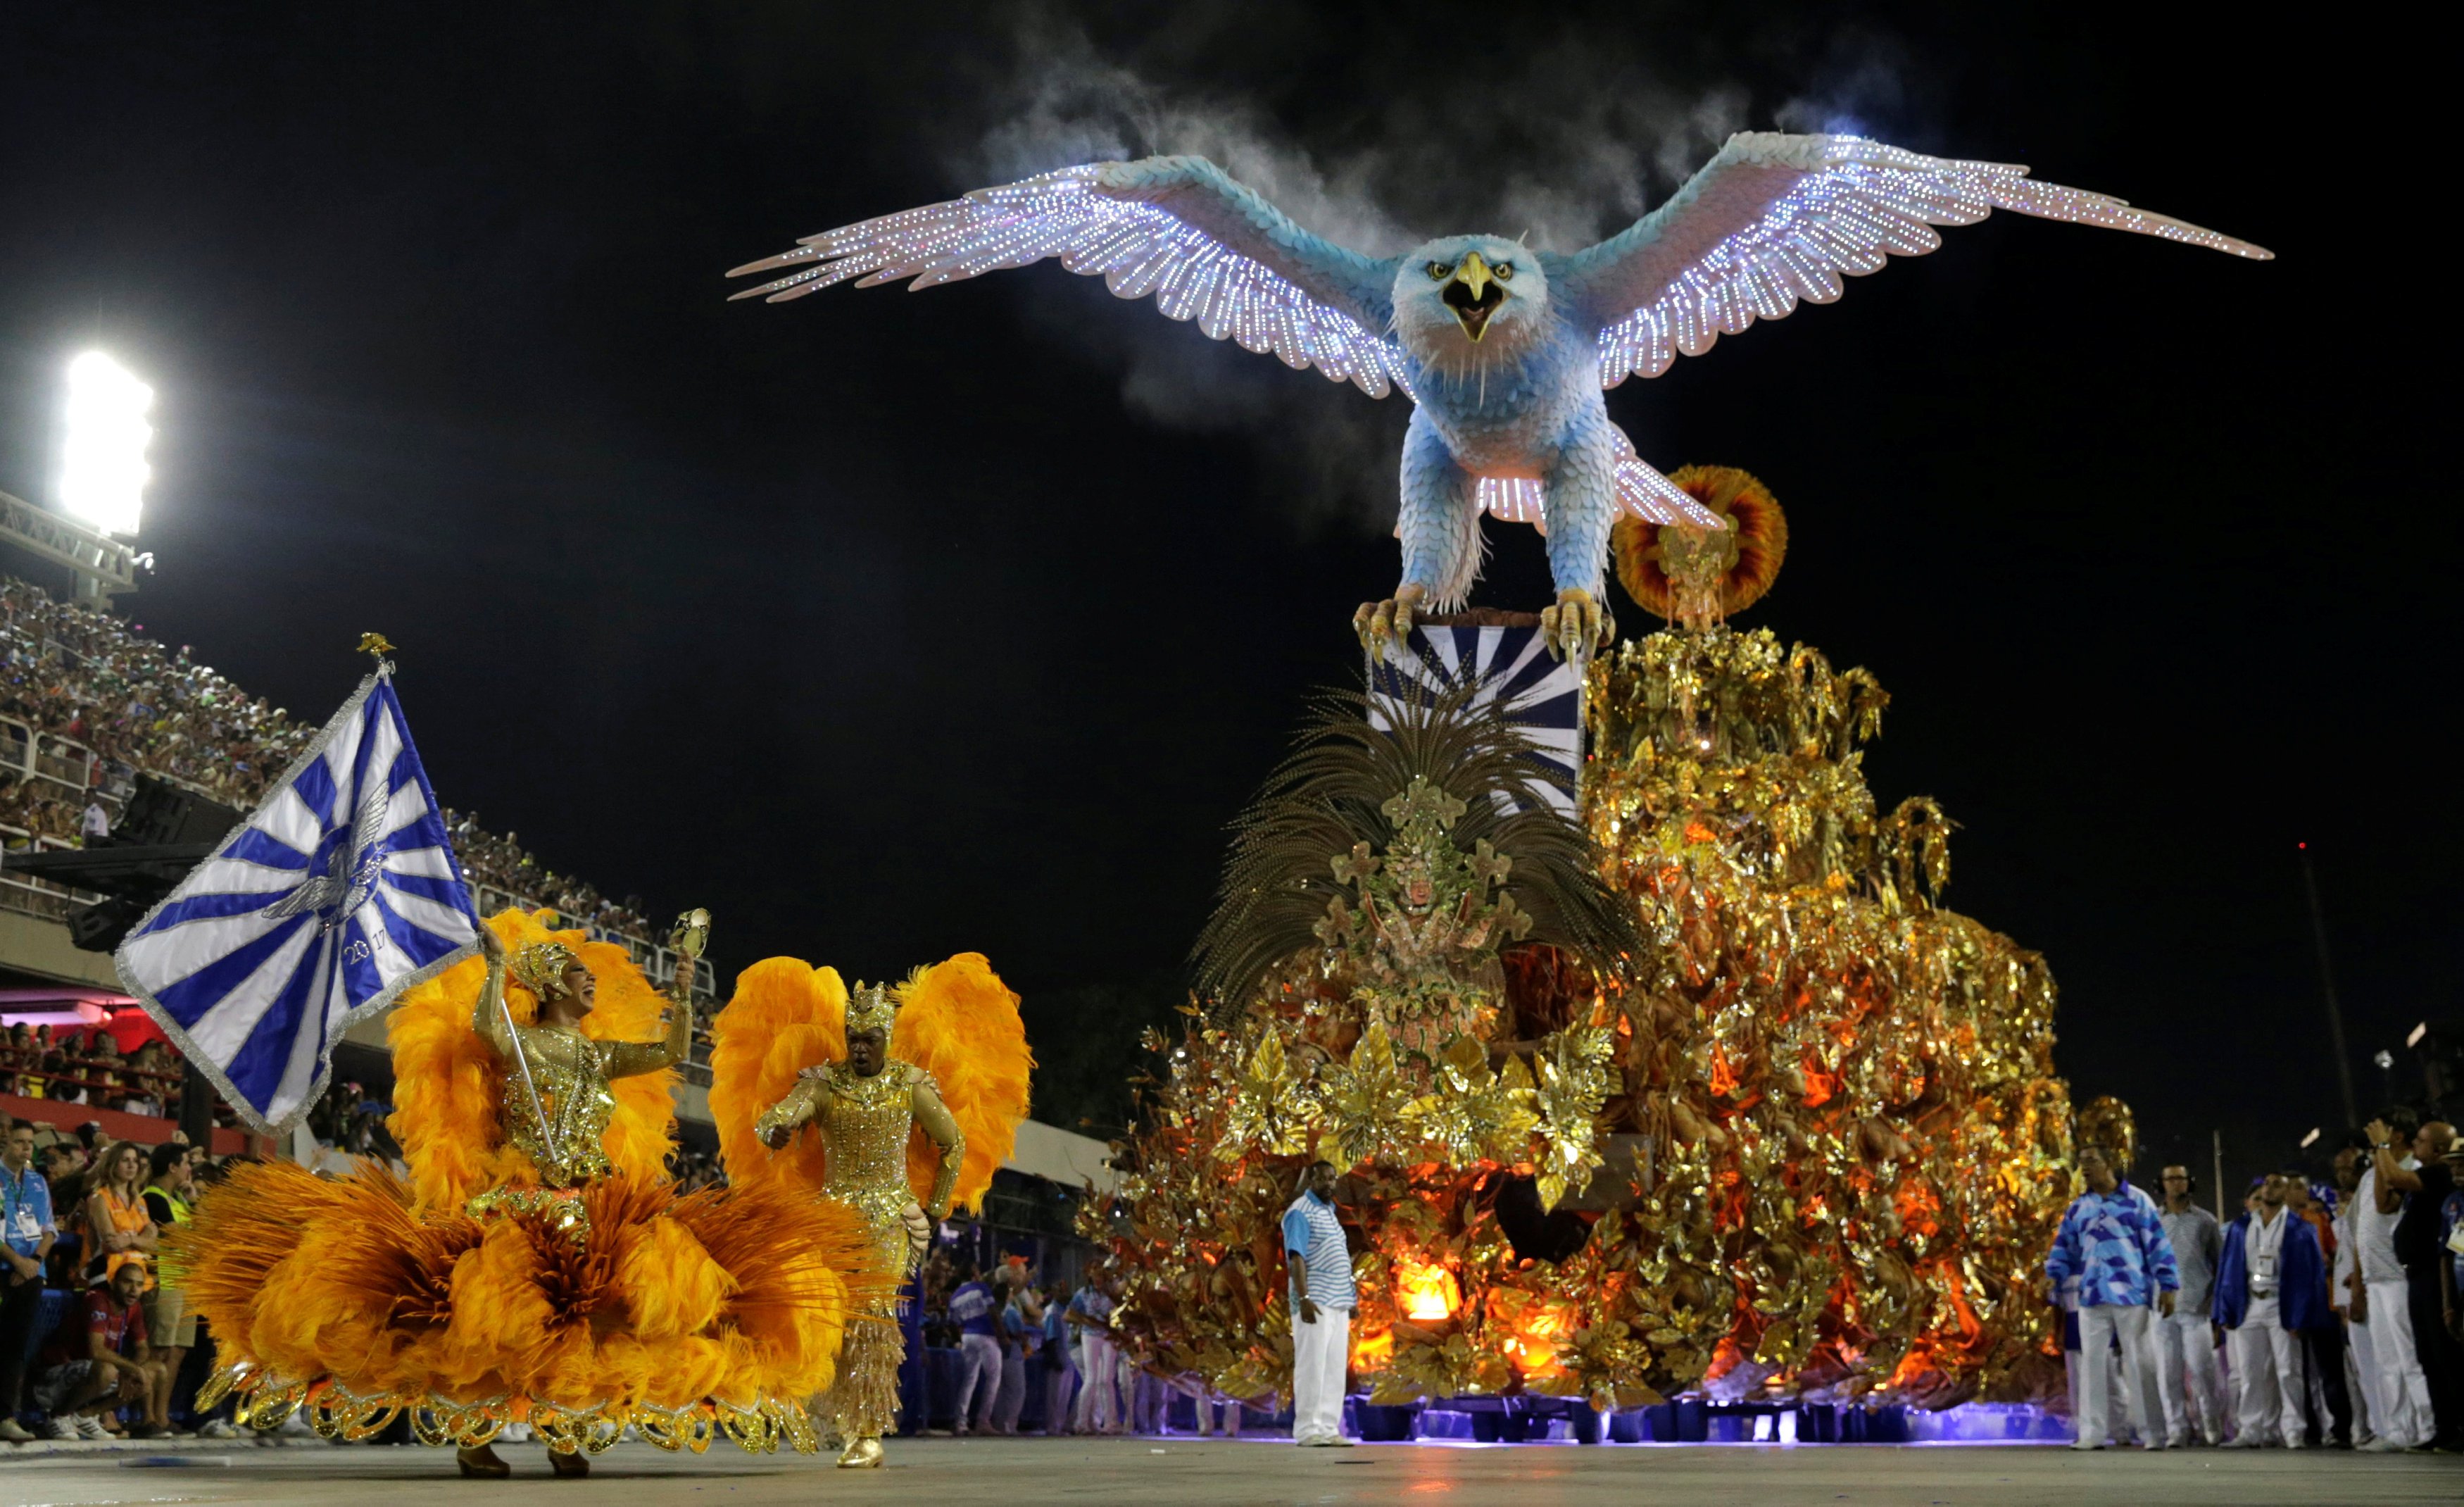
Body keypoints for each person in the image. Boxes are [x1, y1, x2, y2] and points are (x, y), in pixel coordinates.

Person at [170, 909, 879, 1477]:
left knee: (590, 1323)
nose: (591, 985)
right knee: (497, 1322)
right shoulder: (521, 1040)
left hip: (590, 1194)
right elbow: (485, 1026)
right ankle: (475, 1439)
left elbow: (666, 1053)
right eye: (579, 975)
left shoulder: (597, 1053)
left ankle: (564, 1432)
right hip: (519, 1196)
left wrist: (687, 979)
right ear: (551, 987)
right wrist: (494, 967)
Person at [746, 964, 1000, 1470]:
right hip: (832, 1217)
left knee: (873, 1321)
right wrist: (772, 1128)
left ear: (887, 1038)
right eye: (853, 1038)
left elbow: (953, 1144)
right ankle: (826, 1416)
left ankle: (867, 1432)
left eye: (870, 1039)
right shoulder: (824, 1083)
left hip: (889, 1220)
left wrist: (932, 1207)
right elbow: (781, 1114)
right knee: (824, 1316)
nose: (860, 1048)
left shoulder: (909, 1085)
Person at [2042, 1144, 2176, 1450]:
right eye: (2082, 1163)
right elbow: (2064, 1247)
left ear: (2110, 1163)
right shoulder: (2079, 1208)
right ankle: (2093, 1433)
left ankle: (2152, 1433)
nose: (2085, 1168)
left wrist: (2168, 1285)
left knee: (2140, 1363)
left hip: (2131, 1294)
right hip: (2092, 1296)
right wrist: (2053, 1274)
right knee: (2092, 1365)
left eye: (2092, 1161)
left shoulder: (2137, 1201)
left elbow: (2158, 1245)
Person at [2369, 1115, 2464, 1451]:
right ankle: (2443, 1428)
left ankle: (2455, 1429)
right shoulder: (2422, 1177)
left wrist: (2383, 1148)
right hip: (2415, 1275)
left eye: (2420, 1141)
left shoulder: (2440, 1173)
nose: (2414, 1146)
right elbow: (2384, 1204)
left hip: (2432, 1274)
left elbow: (2395, 1175)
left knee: (2444, 1352)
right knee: (2426, 1354)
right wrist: (2379, 1156)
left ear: (2437, 1149)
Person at [2215, 1172, 2328, 1447]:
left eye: (2278, 1184)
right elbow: (2227, 1271)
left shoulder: (2300, 1229)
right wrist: (2225, 1310)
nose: (2269, 1188)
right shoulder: (2242, 1227)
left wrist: (2304, 1315)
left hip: (2282, 1304)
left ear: (2288, 1193)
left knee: (2289, 1371)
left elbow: (2312, 1276)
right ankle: (2251, 1428)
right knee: (2250, 1371)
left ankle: (2293, 1429)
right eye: (2267, 1184)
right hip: (2250, 1303)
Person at [2352, 1109, 2436, 1449]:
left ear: (2396, 1135)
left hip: (2400, 1276)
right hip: (2375, 1280)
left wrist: (2380, 1149)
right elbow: (2358, 1231)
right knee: (2386, 1360)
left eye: (2381, 1131)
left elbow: (2386, 1204)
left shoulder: (2413, 1169)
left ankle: (2428, 1427)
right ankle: (2398, 1430)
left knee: (2411, 1357)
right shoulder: (2371, 1172)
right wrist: (2358, 1282)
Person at [30, 1261, 166, 1439]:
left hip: (91, 1376)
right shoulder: (98, 1300)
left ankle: (85, 1416)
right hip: (52, 1378)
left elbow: (143, 1349)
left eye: (139, 1285)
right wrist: (132, 1368)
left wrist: (132, 1369)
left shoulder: (134, 1307)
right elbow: (97, 1350)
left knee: (156, 1371)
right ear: (113, 1282)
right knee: (107, 1370)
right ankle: (58, 1416)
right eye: (128, 1282)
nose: (134, 1289)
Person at [1283, 1159, 1359, 1448]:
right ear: (1310, 1181)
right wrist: (1303, 1298)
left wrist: (1350, 1297)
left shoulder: (1330, 1212)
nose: (1329, 1184)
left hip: (1338, 1301)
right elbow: (1296, 1257)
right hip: (1314, 1301)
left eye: (1332, 1179)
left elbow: (1337, 1256)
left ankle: (1328, 1428)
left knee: (1334, 1368)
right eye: (1322, 1179)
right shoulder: (1300, 1212)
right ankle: (1307, 1430)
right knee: (1311, 1366)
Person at [2152, 1163, 2224, 1446]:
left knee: (2202, 1370)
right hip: (2163, 1309)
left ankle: (2211, 1425)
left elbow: (2219, 1265)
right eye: (2170, 1179)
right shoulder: (2153, 1222)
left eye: (2181, 1179)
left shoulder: (2206, 1221)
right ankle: (2177, 1429)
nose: (2176, 1185)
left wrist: (2215, 1306)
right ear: (2162, 1184)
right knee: (2168, 1374)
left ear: (2189, 1183)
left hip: (2197, 1306)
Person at [2283, 1175, 2353, 1446]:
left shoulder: (2318, 1219)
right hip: (2292, 1308)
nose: (2306, 1192)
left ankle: (2340, 1428)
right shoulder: (2276, 1225)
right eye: (2298, 1187)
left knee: (2330, 1370)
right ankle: (2309, 1428)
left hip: (2321, 1306)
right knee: (2297, 1372)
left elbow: (2333, 1256)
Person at [1, 1118, 59, 1443]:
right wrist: (17, 1262)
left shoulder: (38, 1182)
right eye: (19, 1142)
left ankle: (6, 1416)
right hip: (5, 1269)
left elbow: (49, 1228)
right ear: (6, 1143)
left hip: (32, 1273)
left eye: (29, 1143)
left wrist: (34, 1262)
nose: (25, 1148)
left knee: (16, 1348)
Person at [139, 1141, 196, 1435]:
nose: (190, 1169)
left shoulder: (180, 1200)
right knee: (158, 1351)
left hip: (186, 1282)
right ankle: (147, 1417)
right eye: (187, 1163)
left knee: (177, 1352)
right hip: (164, 1280)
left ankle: (163, 1416)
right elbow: (180, 1238)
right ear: (172, 1167)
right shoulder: (154, 1197)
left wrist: (194, 1201)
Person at [80, 1139, 156, 1289]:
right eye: (125, 1160)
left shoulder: (140, 1201)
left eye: (135, 1161)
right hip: (108, 1274)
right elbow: (113, 1244)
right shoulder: (100, 1198)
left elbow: (155, 1246)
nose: (132, 1165)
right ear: (112, 1165)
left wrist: (129, 1240)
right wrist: (142, 1239)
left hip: (137, 1275)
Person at [947, 1256, 1001, 1435]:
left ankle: (961, 1421)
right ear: (974, 1272)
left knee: (969, 1380)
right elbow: (993, 1313)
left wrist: (959, 1337)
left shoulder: (956, 1296)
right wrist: (1003, 1336)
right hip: (986, 1335)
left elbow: (952, 1322)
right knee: (993, 1378)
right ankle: (983, 1421)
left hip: (968, 1336)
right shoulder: (981, 1288)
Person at [1068, 1274, 1120, 1434]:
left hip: (1109, 1335)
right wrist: (1086, 1321)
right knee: (1091, 1379)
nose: (1098, 1278)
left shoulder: (1113, 1292)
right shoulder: (1083, 1293)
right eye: (1095, 1273)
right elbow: (1069, 1313)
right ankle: (1081, 1423)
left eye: (1101, 1274)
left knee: (1106, 1380)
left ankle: (1110, 1423)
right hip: (1090, 1334)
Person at [1041, 1280, 1077, 1434]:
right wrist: (1055, 1359)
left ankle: (1060, 1425)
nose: (1066, 1294)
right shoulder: (1052, 1312)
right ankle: (1052, 1426)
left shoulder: (1066, 1310)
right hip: (1058, 1358)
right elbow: (1051, 1338)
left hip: (1068, 1358)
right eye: (1061, 1291)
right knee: (1055, 1396)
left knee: (1065, 1395)